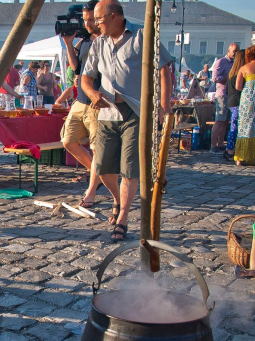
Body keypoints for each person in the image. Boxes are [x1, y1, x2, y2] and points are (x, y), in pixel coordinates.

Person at [82, 0, 173, 242]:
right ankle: (117, 199)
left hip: (136, 110)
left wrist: (165, 106)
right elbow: (85, 79)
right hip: (107, 112)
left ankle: (122, 217)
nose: (95, 24)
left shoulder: (142, 35)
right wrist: (92, 94)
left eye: (99, 20)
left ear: (114, 17)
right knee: (102, 167)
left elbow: (164, 68)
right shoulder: (98, 43)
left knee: (129, 167)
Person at [60, 0, 102, 208]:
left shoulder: (105, 41)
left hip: (96, 101)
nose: (86, 23)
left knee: (96, 149)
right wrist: (68, 44)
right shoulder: (85, 41)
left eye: (90, 19)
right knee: (68, 141)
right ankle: (97, 174)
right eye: (84, 20)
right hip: (80, 100)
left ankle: (91, 190)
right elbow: (76, 69)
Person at [210, 43, 239, 154]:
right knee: (219, 120)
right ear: (229, 50)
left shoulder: (235, 63)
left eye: (237, 51)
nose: (235, 53)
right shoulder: (221, 62)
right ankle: (213, 145)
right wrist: (228, 78)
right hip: (222, 94)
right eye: (234, 51)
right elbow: (215, 78)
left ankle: (221, 143)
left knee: (225, 121)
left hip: (230, 95)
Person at [224, 49, 246, 160]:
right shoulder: (240, 73)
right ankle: (231, 150)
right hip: (238, 101)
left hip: (231, 101)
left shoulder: (231, 73)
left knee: (233, 126)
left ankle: (230, 149)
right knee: (235, 127)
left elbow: (227, 89)